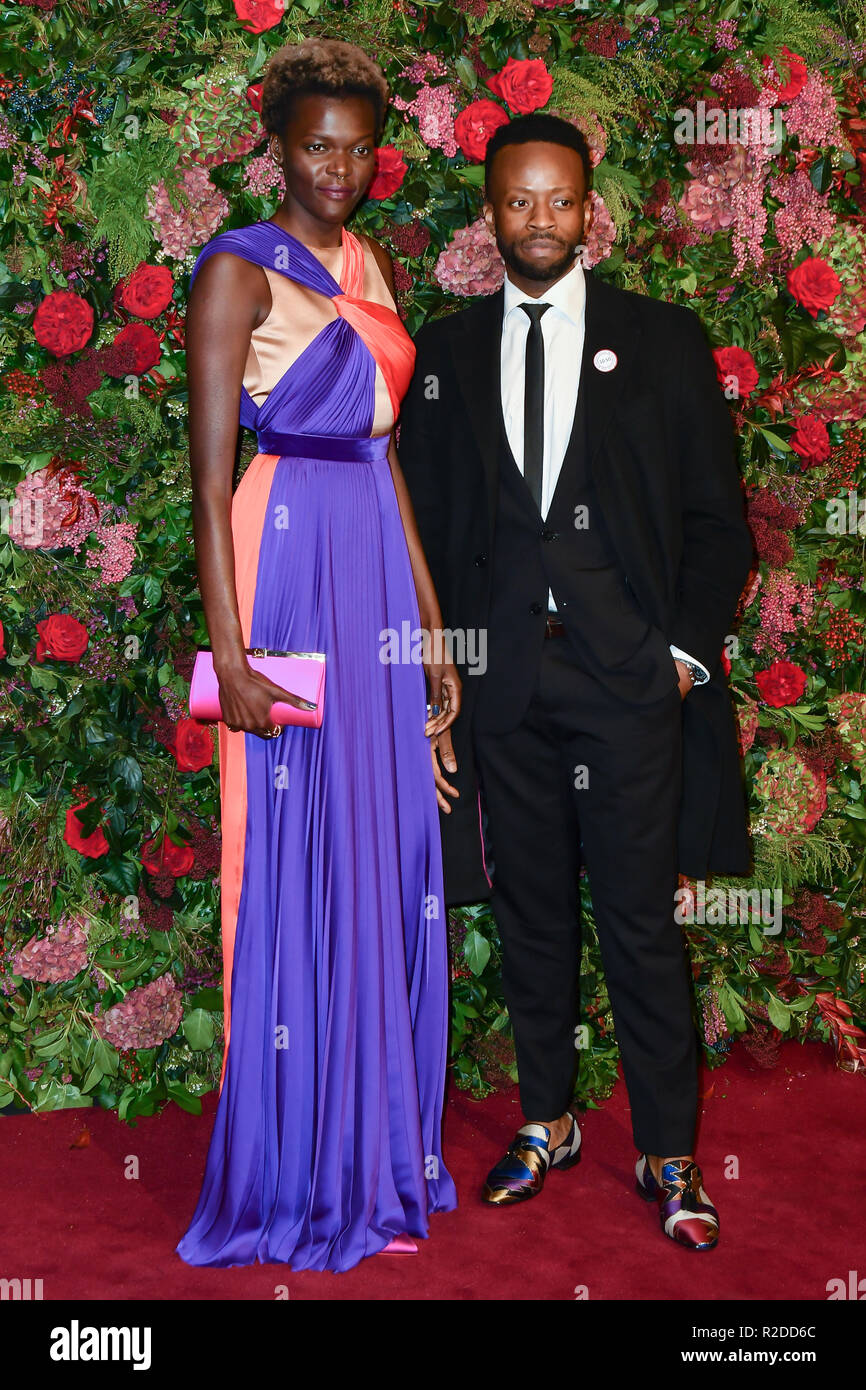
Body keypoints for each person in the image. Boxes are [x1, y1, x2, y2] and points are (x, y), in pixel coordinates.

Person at [398, 113, 753, 1251]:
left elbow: (717, 522)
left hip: (626, 685)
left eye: (558, 199)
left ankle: (668, 1149)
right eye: (517, 201)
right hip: (503, 690)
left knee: (640, 924)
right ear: (488, 211)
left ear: (586, 208)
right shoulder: (445, 353)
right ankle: (544, 1120)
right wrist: (433, 677)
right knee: (532, 916)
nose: (538, 219)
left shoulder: (661, 340)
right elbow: (422, 533)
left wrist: (681, 659)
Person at [176, 37, 459, 1273]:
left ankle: (376, 1149)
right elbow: (205, 481)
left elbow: (386, 451)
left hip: (372, 564)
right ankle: (296, 1163)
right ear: (276, 149)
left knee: (386, 846)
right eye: (314, 147)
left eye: (355, 148)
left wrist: (433, 620)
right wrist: (231, 653)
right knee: (299, 847)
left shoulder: (368, 260)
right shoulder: (237, 270)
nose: (336, 168)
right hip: (282, 554)